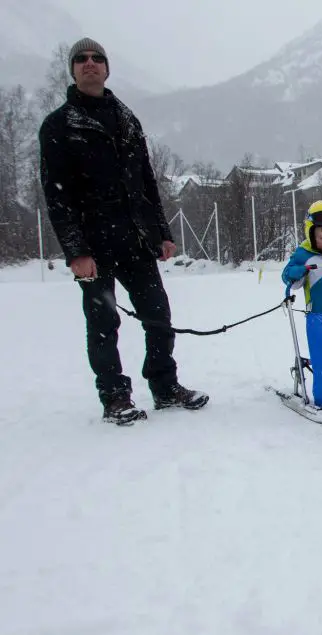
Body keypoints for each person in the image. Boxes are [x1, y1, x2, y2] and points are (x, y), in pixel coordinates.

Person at [38, 37, 208, 426]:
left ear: (107, 68)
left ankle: (165, 387)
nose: (90, 63)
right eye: (81, 59)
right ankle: (115, 398)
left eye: (97, 58)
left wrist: (162, 232)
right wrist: (76, 251)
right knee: (103, 324)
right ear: (73, 70)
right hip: (94, 244)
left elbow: (147, 182)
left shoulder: (127, 118)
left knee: (159, 316)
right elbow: (57, 196)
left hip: (136, 240)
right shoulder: (59, 125)